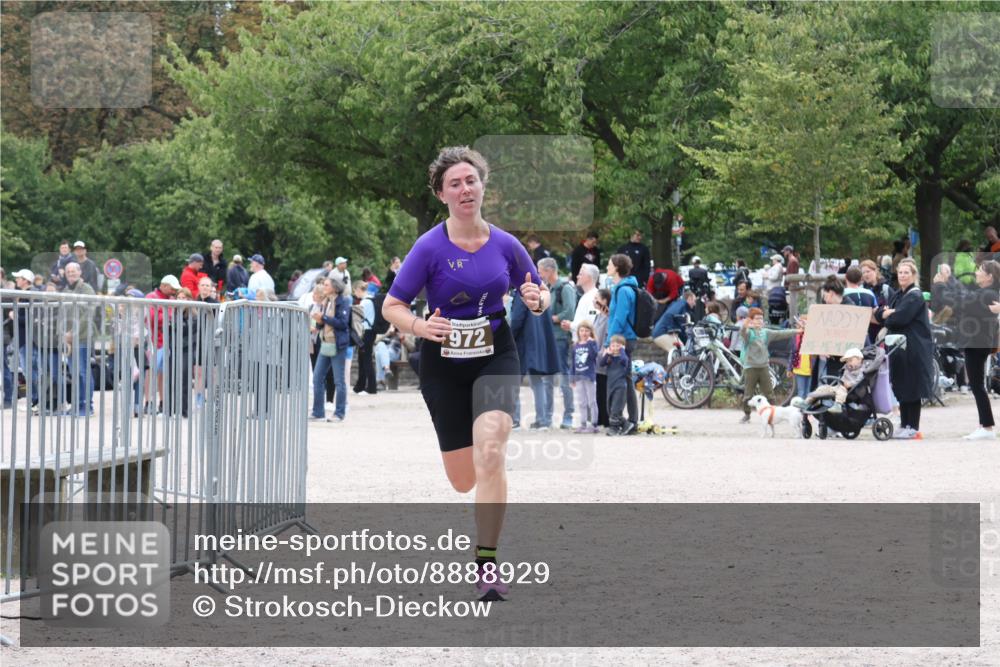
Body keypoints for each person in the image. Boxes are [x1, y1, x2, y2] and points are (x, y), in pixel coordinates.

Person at [380, 146, 549, 601]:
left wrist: (536, 300)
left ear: (482, 185)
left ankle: (487, 564)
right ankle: (474, 479)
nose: (465, 189)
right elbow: (390, 305)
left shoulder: (506, 244)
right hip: (444, 363)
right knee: (463, 478)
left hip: (496, 353)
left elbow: (537, 292)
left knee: (491, 451)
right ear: (442, 194)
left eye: (470, 180)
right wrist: (419, 326)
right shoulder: (429, 247)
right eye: (454, 183)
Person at [933, 260, 1000, 440]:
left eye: (980, 270)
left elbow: (958, 301)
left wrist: (939, 286)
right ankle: (984, 426)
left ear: (989, 277)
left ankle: (986, 427)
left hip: (977, 343)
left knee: (977, 385)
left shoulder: (987, 293)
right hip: (977, 342)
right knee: (977, 385)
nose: (976, 272)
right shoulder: (985, 293)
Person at [873, 258, 934, 439]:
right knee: (901, 384)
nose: (902, 276)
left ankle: (913, 426)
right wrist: (885, 313)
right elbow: (879, 312)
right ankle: (904, 423)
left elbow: (899, 318)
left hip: (914, 347)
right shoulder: (898, 294)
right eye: (900, 272)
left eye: (906, 272)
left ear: (913, 275)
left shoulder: (915, 296)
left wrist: (888, 314)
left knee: (912, 386)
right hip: (899, 347)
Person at [738, 307, 799, 423]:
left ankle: (774, 413)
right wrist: (745, 325)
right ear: (751, 320)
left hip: (764, 367)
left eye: (761, 319)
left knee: (770, 394)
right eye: (756, 319)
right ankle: (747, 414)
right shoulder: (749, 333)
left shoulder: (766, 333)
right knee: (748, 395)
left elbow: (781, 333)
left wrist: (797, 331)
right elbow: (743, 332)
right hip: (750, 368)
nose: (759, 321)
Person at [510, 288, 559, 430]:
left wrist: (509, 337)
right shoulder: (540, 291)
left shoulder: (521, 293)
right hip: (539, 339)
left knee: (514, 382)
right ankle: (542, 420)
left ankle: (515, 420)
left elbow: (517, 318)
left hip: (524, 342)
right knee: (537, 382)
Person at [538, 257, 576, 429]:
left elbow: (570, 310)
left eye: (541, 271)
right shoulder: (550, 289)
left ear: (549, 270)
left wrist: (554, 318)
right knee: (547, 378)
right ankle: (547, 417)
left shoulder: (565, 288)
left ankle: (568, 415)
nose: (539, 275)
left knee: (563, 377)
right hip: (549, 338)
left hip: (560, 338)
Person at [604, 253, 638, 434]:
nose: (607, 266)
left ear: (617, 267)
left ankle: (622, 421)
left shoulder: (623, 289)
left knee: (621, 382)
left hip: (622, 339)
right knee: (626, 380)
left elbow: (620, 317)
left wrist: (610, 341)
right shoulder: (624, 287)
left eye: (609, 264)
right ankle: (632, 420)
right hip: (623, 337)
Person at [311, 277, 350, 422]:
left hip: (338, 344)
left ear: (335, 287)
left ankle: (339, 413)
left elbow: (343, 323)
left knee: (339, 381)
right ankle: (318, 412)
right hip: (325, 343)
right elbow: (323, 323)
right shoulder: (326, 301)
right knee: (317, 378)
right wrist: (319, 321)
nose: (324, 286)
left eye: (326, 285)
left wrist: (324, 318)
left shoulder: (343, 301)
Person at [62, 262, 96, 416]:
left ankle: (86, 406)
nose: (71, 274)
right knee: (73, 372)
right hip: (69, 338)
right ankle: (76, 405)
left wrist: (72, 332)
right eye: (68, 271)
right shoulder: (65, 290)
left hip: (82, 336)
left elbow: (88, 314)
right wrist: (63, 332)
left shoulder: (86, 289)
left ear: (80, 272)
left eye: (73, 271)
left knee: (83, 372)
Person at [804, 348, 865, 414]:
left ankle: (838, 405)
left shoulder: (862, 370)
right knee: (822, 388)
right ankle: (806, 402)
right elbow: (841, 377)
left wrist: (850, 384)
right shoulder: (847, 367)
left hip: (851, 390)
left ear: (859, 359)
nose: (848, 363)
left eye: (850, 360)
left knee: (841, 390)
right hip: (839, 386)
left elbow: (860, 380)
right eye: (847, 361)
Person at [599, 334, 632, 436]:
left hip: (620, 387)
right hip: (610, 386)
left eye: (618, 346)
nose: (615, 348)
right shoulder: (610, 358)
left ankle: (614, 429)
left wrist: (622, 351)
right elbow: (601, 363)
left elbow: (624, 361)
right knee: (610, 409)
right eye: (613, 345)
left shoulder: (623, 357)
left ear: (622, 347)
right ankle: (626, 424)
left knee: (615, 409)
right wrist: (608, 354)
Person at [570, 321, 600, 433]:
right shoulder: (575, 345)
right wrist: (571, 378)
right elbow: (573, 363)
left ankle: (594, 424)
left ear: (590, 332)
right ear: (578, 332)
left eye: (587, 330)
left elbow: (594, 356)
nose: (584, 333)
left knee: (591, 401)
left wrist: (591, 343)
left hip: (589, 376)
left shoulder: (592, 344)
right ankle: (583, 424)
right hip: (578, 378)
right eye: (582, 330)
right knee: (581, 401)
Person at [351, 279, 378, 395]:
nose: (355, 294)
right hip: (370, 332)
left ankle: (371, 388)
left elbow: (359, 320)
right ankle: (360, 386)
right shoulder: (371, 299)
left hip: (365, 332)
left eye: (354, 291)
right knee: (363, 359)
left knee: (366, 359)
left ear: (358, 289)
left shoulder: (364, 303)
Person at [592, 288, 612, 428]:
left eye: (597, 298)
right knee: (598, 390)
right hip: (595, 358)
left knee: (603, 389)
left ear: (604, 301)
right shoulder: (598, 316)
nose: (594, 300)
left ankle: (605, 418)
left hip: (602, 358)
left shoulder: (608, 318)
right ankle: (599, 417)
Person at [566, 263, 599, 341]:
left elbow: (591, 322)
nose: (577, 276)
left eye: (580, 274)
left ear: (588, 277)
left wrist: (571, 325)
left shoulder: (593, 297)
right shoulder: (586, 296)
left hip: (586, 345)